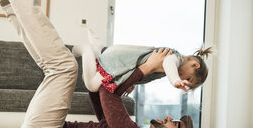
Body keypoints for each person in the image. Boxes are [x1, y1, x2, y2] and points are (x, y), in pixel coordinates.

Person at [0, 0, 195, 128]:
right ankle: (9, 1)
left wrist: (145, 69)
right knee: (54, 67)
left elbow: (108, 93)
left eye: (174, 122)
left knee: (63, 67)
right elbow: (99, 95)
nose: (168, 117)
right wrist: (123, 79)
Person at [72, 28, 212, 94]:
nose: (182, 78)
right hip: (118, 60)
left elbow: (144, 70)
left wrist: (131, 81)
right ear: (195, 64)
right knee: (91, 85)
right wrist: (175, 80)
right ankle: (86, 49)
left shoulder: (171, 66)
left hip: (119, 62)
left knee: (91, 76)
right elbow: (168, 64)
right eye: (187, 78)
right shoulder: (174, 57)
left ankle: (98, 48)